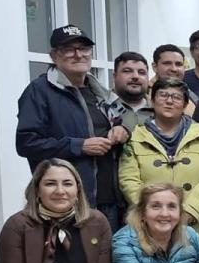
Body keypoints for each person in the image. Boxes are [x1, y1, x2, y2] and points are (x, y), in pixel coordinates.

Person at [16, 25, 129, 229]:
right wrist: (79, 146)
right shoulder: (39, 92)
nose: (78, 55)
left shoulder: (98, 91)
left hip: (109, 202)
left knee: (105, 260)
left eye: (84, 49)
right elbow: (26, 143)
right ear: (54, 56)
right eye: (69, 49)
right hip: (66, 203)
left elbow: (115, 122)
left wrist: (121, 132)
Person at [120, 78, 199, 252]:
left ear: (185, 104)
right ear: (152, 100)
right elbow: (128, 180)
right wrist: (156, 213)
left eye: (176, 97)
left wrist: (188, 212)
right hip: (150, 228)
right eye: (163, 95)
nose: (169, 101)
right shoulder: (135, 137)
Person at [110, 51, 152, 133]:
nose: (135, 76)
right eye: (127, 71)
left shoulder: (159, 109)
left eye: (141, 72)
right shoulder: (102, 106)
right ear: (114, 76)